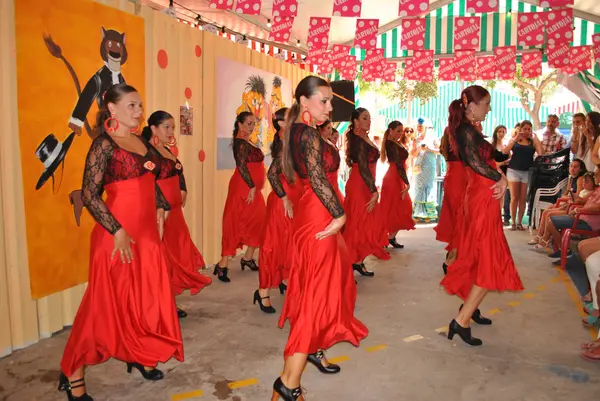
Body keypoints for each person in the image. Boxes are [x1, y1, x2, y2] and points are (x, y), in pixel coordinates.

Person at [58, 84, 183, 400]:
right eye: (131, 106)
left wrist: (161, 206)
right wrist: (117, 231)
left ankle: (139, 353)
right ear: (111, 109)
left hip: (145, 235)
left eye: (140, 105)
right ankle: (73, 372)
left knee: (143, 301)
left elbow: (149, 182)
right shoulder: (103, 145)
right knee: (104, 306)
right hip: (116, 236)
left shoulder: (141, 141)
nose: (139, 111)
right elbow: (90, 194)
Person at [274, 76, 368, 400]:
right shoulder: (305, 134)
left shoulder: (301, 132)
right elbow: (316, 177)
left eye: (330, 101)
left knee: (316, 296)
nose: (330, 107)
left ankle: (293, 380)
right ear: (304, 101)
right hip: (318, 220)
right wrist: (339, 214)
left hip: (314, 217)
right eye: (324, 101)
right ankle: (287, 385)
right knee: (313, 300)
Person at [441, 85, 524, 346]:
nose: (489, 109)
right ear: (471, 106)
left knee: (486, 259)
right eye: (486, 104)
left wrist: (498, 174)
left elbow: (484, 160)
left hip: (483, 197)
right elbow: (474, 164)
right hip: (480, 197)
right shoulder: (465, 130)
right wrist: (499, 177)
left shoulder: (470, 129)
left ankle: (467, 314)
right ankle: (462, 319)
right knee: (491, 260)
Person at [143, 110, 211, 318]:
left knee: (177, 255)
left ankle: (169, 300)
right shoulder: (147, 151)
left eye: (172, 127)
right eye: (166, 127)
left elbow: (178, 171)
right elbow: (148, 183)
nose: (171, 131)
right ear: (153, 128)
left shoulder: (166, 149)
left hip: (175, 212)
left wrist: (183, 188)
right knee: (164, 258)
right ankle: (161, 305)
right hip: (161, 213)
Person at [255, 107, 301, 314]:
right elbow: (272, 174)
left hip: (293, 200)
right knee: (273, 246)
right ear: (282, 123)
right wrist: (284, 198)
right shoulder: (284, 141)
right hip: (283, 202)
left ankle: (286, 280)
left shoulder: (290, 140)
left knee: (289, 245)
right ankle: (263, 291)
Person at [214, 112, 267, 282]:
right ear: (240, 125)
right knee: (235, 223)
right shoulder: (240, 143)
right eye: (249, 123)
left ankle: (248, 257)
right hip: (243, 188)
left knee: (259, 221)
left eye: (253, 123)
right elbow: (242, 166)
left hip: (252, 189)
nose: (252, 127)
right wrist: (252, 185)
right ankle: (222, 265)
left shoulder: (248, 141)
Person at [343, 108, 391, 277]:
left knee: (366, 225)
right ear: (355, 121)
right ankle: (348, 264)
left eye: (369, 118)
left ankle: (357, 261)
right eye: (364, 118)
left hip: (366, 183)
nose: (368, 121)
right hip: (359, 185)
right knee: (357, 225)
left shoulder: (365, 138)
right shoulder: (356, 140)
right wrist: (373, 190)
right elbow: (363, 167)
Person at [379, 120, 415, 249]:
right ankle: (385, 238)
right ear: (391, 130)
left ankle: (391, 237)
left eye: (402, 131)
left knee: (400, 208)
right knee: (393, 209)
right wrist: (406, 182)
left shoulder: (394, 143)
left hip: (395, 177)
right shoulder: (391, 144)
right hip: (394, 178)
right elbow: (399, 165)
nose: (400, 133)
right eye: (398, 131)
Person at [503, 120, 544, 231]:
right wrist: (516, 138)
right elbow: (505, 151)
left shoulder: (532, 142)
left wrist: (536, 139)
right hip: (513, 170)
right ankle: (513, 222)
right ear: (520, 129)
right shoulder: (515, 140)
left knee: (522, 199)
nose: (526, 131)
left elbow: (541, 153)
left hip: (526, 171)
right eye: (524, 129)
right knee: (514, 198)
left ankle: (520, 222)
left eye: (529, 129)